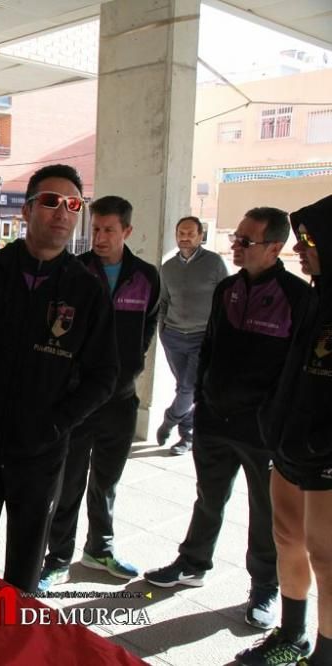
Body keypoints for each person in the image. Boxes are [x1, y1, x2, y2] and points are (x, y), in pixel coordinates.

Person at [0, 164, 118, 592]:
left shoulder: (85, 290)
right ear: (28, 209)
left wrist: (58, 422)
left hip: (41, 449)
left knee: (27, 555)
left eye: (73, 205)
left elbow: (104, 374)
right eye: (51, 202)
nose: (63, 213)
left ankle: (15, 636)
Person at [144, 208, 315, 634]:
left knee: (264, 512)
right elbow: (210, 351)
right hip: (214, 423)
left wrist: (270, 419)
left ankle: (264, 588)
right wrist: (201, 402)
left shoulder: (298, 298)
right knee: (208, 498)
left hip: (261, 431)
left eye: (246, 241)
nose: (236, 246)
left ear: (275, 248)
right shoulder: (226, 290)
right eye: (236, 238)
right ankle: (193, 562)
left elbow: (296, 372)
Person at [39, 195, 159, 591]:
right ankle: (57, 557)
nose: (100, 237)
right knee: (69, 480)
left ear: (127, 231)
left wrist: (131, 368)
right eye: (95, 229)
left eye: (109, 230)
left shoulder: (146, 277)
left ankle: (99, 548)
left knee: (106, 481)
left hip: (121, 400)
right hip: (78, 400)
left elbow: (147, 331)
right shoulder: (73, 272)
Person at [239, 195, 332, 666]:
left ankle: (325, 654)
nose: (301, 249)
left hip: (327, 457)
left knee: (326, 555)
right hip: (289, 444)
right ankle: (291, 636)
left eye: (311, 240)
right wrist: (273, 422)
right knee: (287, 539)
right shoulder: (315, 294)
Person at [156, 217, 228, 455]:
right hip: (174, 336)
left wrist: (217, 332)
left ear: (200, 236)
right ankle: (187, 436)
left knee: (189, 387)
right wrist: (163, 329)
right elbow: (164, 301)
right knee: (183, 387)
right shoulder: (168, 267)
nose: (184, 237)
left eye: (190, 233)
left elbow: (225, 299)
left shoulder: (214, 263)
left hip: (202, 336)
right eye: (180, 233)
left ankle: (169, 420)